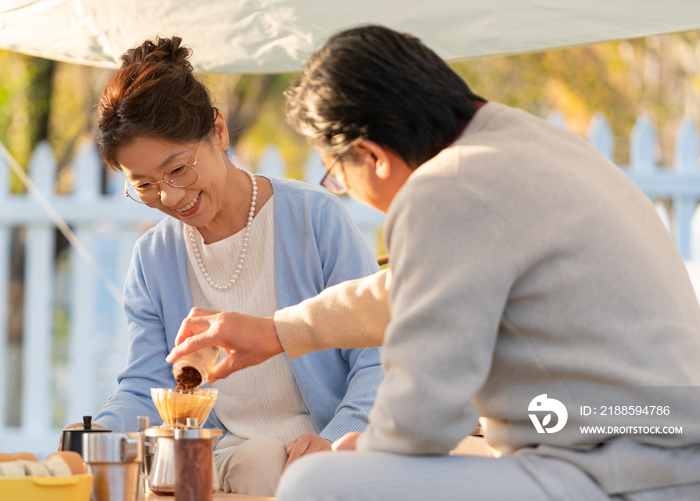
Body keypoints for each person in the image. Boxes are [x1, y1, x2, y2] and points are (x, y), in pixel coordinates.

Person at [167, 25, 700, 500]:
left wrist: (370, 448)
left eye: (337, 173)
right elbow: (414, 290)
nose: (342, 189)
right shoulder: (521, 143)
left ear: (372, 155)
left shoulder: (447, 190)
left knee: (316, 484)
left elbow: (423, 411)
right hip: (657, 436)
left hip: (624, 465)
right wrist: (277, 331)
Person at [81, 36, 384, 497]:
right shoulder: (153, 257)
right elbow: (147, 382)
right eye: (143, 185)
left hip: (319, 453)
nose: (170, 197)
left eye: (179, 169)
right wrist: (97, 434)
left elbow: (376, 353)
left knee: (266, 463)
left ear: (218, 132)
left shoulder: (312, 218)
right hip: (214, 459)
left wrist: (337, 435)